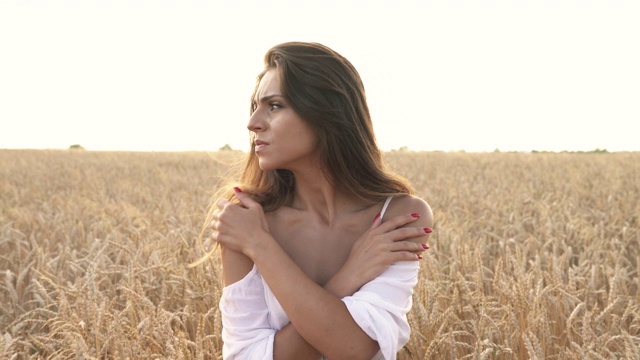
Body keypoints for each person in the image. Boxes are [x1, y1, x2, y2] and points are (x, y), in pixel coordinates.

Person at [209, 42, 433, 360]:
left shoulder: (398, 217)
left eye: (274, 105)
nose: (253, 123)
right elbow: (244, 356)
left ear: (325, 112)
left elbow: (355, 348)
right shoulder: (247, 220)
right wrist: (346, 277)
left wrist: (259, 245)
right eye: (255, 106)